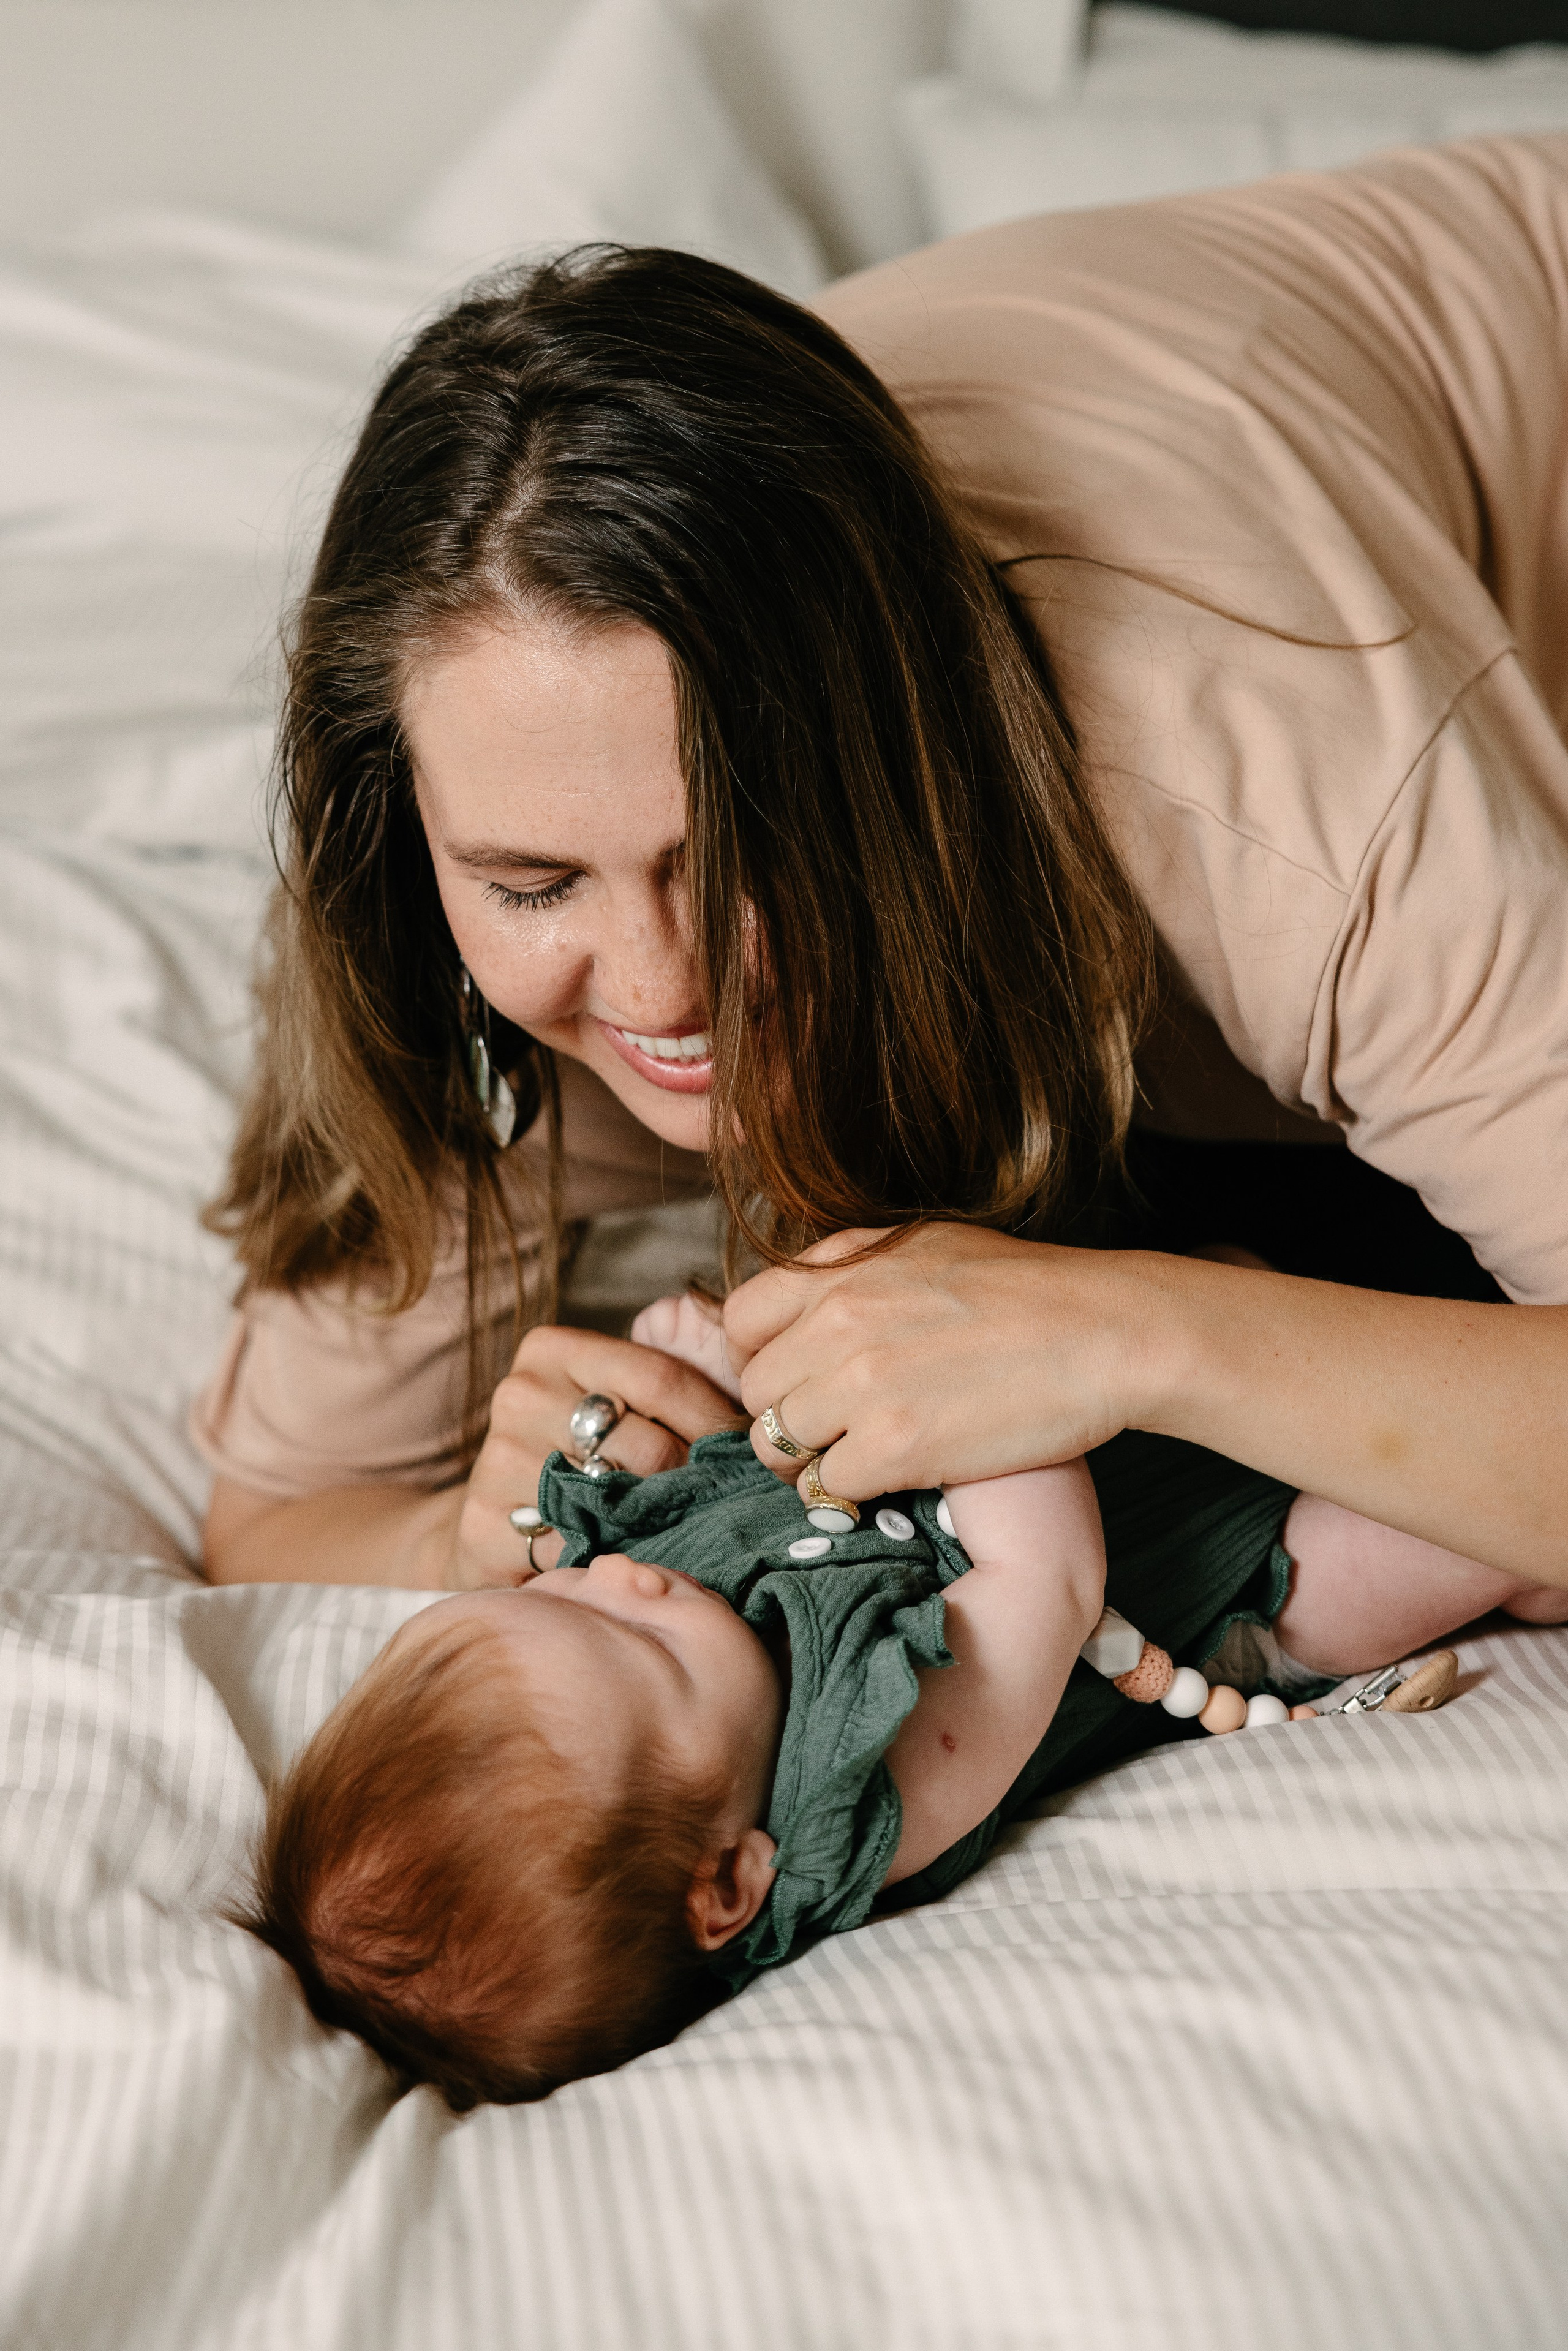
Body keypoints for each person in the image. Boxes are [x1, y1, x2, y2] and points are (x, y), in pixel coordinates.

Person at [195, 134, 1568, 1602]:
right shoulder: (457, 866)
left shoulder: (1266, 794)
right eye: (537, 884)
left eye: (732, 857)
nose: (665, 993)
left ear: (905, 753)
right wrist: (463, 1536)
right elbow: (281, 1513)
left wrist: (1132, 1333)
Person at [237, 1290, 1568, 2109]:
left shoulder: (635, 1606)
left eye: (555, 1598)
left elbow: (712, 1469)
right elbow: (1042, 1579)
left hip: (1132, 1400)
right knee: (1423, 1532)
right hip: (1203, 1567)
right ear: (729, 1880)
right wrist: (972, 1380)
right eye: (634, 1652)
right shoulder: (857, 1790)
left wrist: (700, 1357)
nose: (627, 1589)